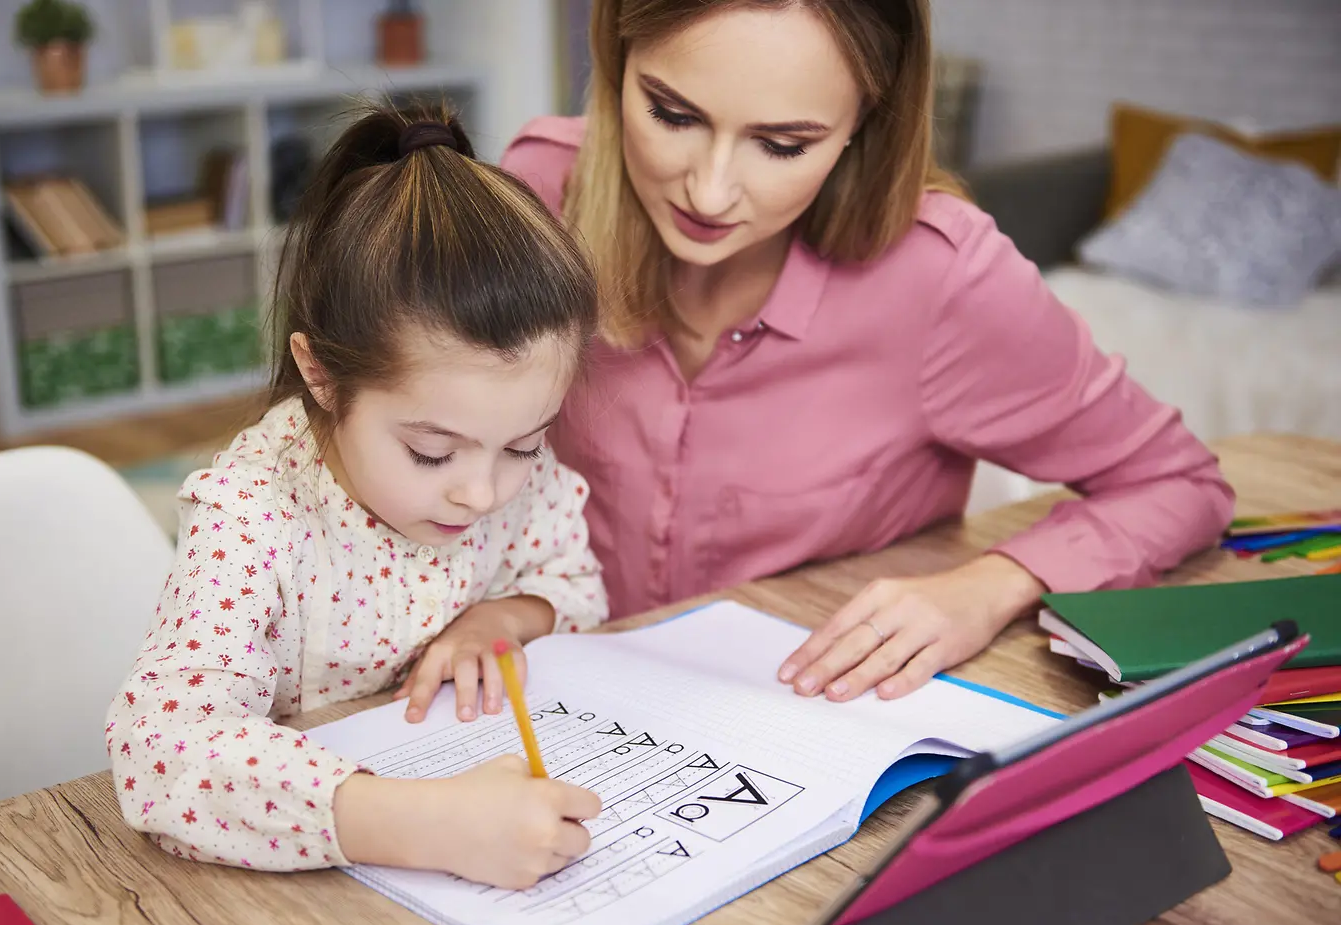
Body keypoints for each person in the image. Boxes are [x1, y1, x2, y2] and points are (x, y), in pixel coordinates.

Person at [501, 0, 1233, 703]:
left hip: (806, 718)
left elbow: (1179, 484)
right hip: (546, 691)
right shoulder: (536, 195)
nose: (711, 190)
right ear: (615, 55)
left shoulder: (944, 277)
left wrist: (990, 587)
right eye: (672, 113)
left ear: (865, 121)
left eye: (783, 144)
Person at [105, 103, 606, 886]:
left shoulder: (512, 477)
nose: (481, 492)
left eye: (524, 444)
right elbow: (161, 748)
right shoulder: (253, 514)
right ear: (322, 376)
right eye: (430, 452)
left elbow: (575, 587)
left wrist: (505, 617)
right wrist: (427, 825)